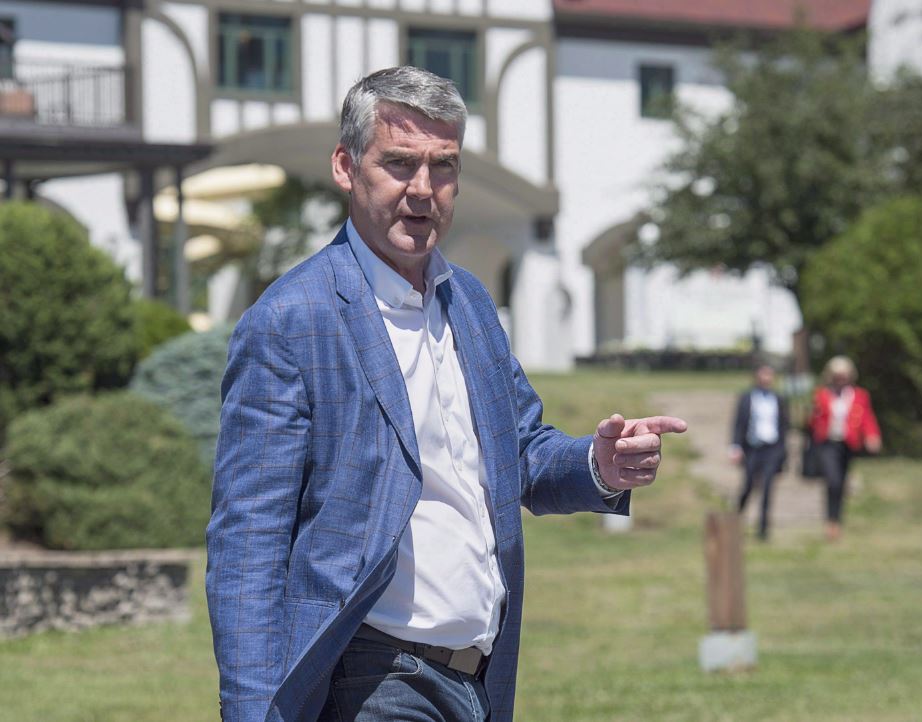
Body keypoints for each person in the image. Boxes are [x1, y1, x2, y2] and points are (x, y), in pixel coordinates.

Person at [205, 66, 687, 722]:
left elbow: (518, 452)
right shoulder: (293, 320)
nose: (423, 190)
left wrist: (598, 466)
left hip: (478, 677)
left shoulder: (470, 303)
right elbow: (248, 539)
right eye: (399, 164)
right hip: (371, 677)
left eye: (444, 166)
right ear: (346, 168)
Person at [808, 355, 881, 541]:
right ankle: (830, 521)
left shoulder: (859, 395)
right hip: (827, 443)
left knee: (840, 483)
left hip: (847, 444)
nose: (841, 378)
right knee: (832, 480)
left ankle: (837, 521)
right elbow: (812, 421)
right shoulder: (822, 394)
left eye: (844, 375)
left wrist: (872, 436)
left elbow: (867, 418)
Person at [729, 364, 789, 540]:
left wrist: (784, 451)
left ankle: (763, 529)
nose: (766, 378)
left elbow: (785, 425)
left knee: (768, 488)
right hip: (752, 448)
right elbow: (738, 423)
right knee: (748, 485)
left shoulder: (778, 398)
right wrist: (735, 446)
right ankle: (736, 520)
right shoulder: (747, 397)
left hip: (772, 448)